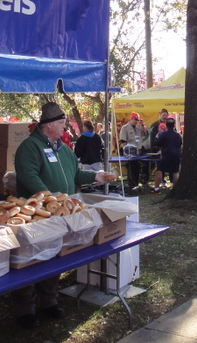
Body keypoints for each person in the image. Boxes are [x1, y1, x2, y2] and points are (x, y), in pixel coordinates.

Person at [14, 102, 116, 328]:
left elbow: (76, 174)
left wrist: (95, 176)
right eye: (62, 123)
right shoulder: (30, 148)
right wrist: (50, 198)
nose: (66, 127)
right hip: (37, 215)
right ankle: (25, 309)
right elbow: (28, 176)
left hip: (61, 215)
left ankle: (49, 301)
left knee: (52, 257)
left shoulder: (64, 149)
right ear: (49, 125)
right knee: (31, 258)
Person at [154, 117, 183, 191]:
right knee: (175, 171)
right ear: (174, 125)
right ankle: (175, 189)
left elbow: (157, 143)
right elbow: (180, 144)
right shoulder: (177, 135)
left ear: (166, 125)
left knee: (159, 170)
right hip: (176, 155)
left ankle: (156, 188)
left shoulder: (164, 134)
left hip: (166, 155)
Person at [118, 112, 143, 187]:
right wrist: (126, 152)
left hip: (137, 152)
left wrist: (142, 125)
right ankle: (132, 185)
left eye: (137, 120)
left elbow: (145, 134)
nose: (136, 121)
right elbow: (122, 141)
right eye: (135, 119)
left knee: (137, 168)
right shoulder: (125, 128)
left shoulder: (138, 128)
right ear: (131, 119)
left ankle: (136, 183)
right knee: (131, 168)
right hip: (129, 152)